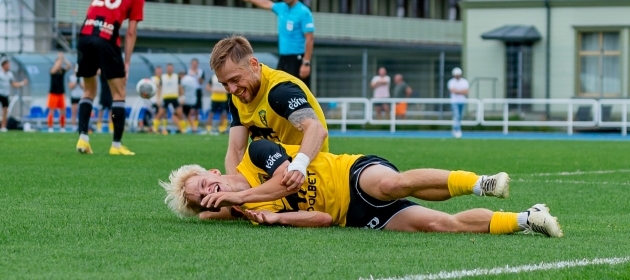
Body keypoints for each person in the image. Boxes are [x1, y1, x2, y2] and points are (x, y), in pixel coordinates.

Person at [160, 139, 563, 238]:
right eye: (203, 198)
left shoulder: (257, 151)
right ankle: (527, 219)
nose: (209, 191)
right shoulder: (250, 214)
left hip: (351, 173)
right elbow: (319, 218)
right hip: (352, 215)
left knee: (393, 183)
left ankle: (481, 183)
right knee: (440, 226)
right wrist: (271, 219)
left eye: (204, 183)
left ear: (212, 170)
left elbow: (284, 179)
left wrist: (236, 197)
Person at [210, 35, 328, 192]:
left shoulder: (279, 91)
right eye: (224, 84)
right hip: (272, 173)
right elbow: (236, 149)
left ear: (253, 64)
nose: (231, 89)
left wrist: (298, 166)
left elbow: (316, 129)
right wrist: (235, 188)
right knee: (207, 209)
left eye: (235, 79)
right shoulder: (237, 97)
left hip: (306, 176)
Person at [74, 0, 150, 155]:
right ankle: (116, 145)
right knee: (119, 92)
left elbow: (92, 11)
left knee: (88, 90)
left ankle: (83, 139)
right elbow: (131, 32)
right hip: (106, 37)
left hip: (85, 35)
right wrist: (127, 62)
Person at [238, 0, 315, 89]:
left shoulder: (304, 12)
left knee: (297, 91)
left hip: (298, 59)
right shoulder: (281, 8)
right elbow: (267, 3)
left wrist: (306, 62)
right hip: (283, 57)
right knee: (279, 88)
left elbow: (310, 39)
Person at [156, 63, 185, 135]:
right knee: (160, 114)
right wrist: (158, 99)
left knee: (180, 113)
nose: (170, 69)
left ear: (173, 69)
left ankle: (183, 129)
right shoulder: (163, 77)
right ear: (166, 69)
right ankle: (154, 128)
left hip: (174, 97)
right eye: (168, 68)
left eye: (171, 68)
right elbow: (159, 88)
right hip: (165, 97)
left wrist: (182, 97)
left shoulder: (176, 77)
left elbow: (180, 88)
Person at [0, 56, 27, 132]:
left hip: (5, 95)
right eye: (7, 64)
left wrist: (22, 83)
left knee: (5, 111)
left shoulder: (10, 74)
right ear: (4, 65)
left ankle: (3, 127)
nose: (9, 66)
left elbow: (13, 84)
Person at [47, 52, 71, 132]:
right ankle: (50, 126)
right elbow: (54, 69)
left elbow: (69, 66)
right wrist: (59, 59)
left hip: (61, 93)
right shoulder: (52, 70)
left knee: (63, 111)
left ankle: (62, 126)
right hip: (53, 93)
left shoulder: (62, 71)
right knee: (52, 110)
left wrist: (63, 59)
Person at [448, 67, 469, 139]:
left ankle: (455, 128)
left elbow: (466, 91)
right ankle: (458, 130)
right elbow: (452, 90)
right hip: (454, 101)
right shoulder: (451, 81)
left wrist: (458, 92)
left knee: (460, 116)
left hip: (462, 101)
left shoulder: (464, 81)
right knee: (456, 116)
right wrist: (461, 92)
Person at [187, 58, 205, 129]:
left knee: (197, 109)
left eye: (195, 64)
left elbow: (201, 82)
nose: (194, 65)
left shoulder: (200, 72)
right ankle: (190, 125)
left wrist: (197, 75)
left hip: (197, 91)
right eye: (193, 64)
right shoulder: (188, 71)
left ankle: (195, 125)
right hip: (190, 91)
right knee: (190, 109)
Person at [149, 66, 163, 134]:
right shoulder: (152, 79)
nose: (159, 72)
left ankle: (159, 128)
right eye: (158, 71)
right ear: (155, 71)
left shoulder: (163, 78)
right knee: (156, 113)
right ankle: (154, 128)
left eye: (160, 71)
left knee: (162, 114)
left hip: (162, 99)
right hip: (154, 100)